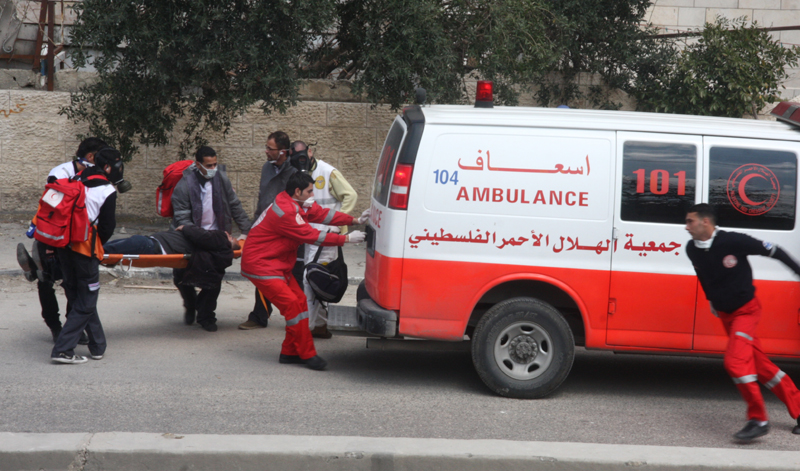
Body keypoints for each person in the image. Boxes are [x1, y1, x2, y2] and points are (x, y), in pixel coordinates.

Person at [685, 203, 800, 440]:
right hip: (726, 316)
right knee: (762, 368)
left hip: (746, 312)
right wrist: (711, 300)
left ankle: (758, 419)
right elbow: (703, 275)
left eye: (690, 221)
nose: (686, 227)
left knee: (735, 362)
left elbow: (774, 251)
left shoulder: (733, 241)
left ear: (705, 222)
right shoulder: (692, 249)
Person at [240, 172, 368, 370]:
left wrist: (355, 220)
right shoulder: (286, 212)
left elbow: (323, 214)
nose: (313, 195)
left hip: (277, 264)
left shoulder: (295, 202)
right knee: (293, 305)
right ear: (298, 191)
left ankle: (289, 352)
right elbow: (311, 236)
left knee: (300, 302)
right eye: (310, 191)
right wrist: (346, 239)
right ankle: (308, 354)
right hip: (261, 264)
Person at [17, 137, 108, 343]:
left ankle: (72, 325)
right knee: (46, 279)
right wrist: (50, 244)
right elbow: (51, 208)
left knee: (72, 283)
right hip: (54, 232)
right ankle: (55, 327)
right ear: (91, 156)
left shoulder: (93, 175)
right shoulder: (60, 173)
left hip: (77, 236)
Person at [51, 147, 124, 364]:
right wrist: (95, 243)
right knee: (87, 300)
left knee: (77, 295)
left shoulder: (76, 178)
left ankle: (98, 345)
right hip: (85, 249)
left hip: (63, 245)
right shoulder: (107, 190)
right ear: (108, 167)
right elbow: (108, 227)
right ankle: (63, 350)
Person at [170, 146, 251, 332]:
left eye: (215, 164)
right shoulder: (184, 185)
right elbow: (182, 217)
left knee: (214, 277)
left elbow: (234, 205)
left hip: (217, 236)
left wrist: (248, 231)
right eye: (209, 165)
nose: (213, 168)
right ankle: (191, 303)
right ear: (198, 165)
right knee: (181, 275)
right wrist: (197, 236)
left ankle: (206, 316)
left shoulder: (221, 179)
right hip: (191, 236)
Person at [288, 140, 360, 339]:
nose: (301, 161)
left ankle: (310, 326)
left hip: (326, 235)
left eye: (303, 156)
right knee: (316, 278)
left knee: (312, 278)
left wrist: (339, 224)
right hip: (311, 235)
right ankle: (319, 325)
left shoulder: (328, 172)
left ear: (310, 152)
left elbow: (351, 195)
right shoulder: (300, 174)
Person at [238, 131, 298, 330]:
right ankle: (259, 316)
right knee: (263, 271)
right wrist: (253, 227)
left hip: (285, 232)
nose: (266, 151)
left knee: (290, 275)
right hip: (264, 229)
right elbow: (262, 198)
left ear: (282, 151)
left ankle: (300, 316)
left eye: (270, 148)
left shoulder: (294, 171)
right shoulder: (267, 168)